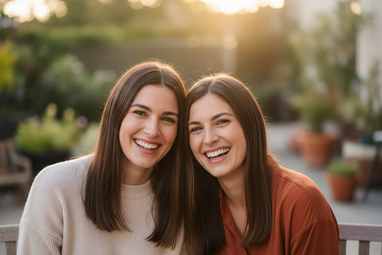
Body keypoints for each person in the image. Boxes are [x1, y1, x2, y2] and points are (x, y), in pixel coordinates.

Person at [18, 61, 188, 254]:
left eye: (168, 119)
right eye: (140, 112)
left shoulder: (182, 199)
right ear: (116, 115)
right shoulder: (55, 187)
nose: (152, 130)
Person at [184, 74, 340, 255]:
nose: (209, 139)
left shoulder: (301, 202)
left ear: (250, 125)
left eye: (222, 122)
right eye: (196, 129)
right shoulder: (197, 207)